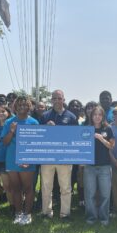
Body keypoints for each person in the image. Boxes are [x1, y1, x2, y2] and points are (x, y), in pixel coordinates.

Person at [40, 89, 78, 220]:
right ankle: (46, 212)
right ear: (51, 100)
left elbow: (76, 138)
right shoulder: (45, 116)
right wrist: (45, 127)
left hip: (64, 157)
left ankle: (65, 213)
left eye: (59, 98)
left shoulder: (72, 117)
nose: (57, 101)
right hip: (47, 157)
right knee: (46, 186)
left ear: (64, 99)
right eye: (54, 98)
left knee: (66, 187)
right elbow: (38, 137)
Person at [1, 96, 39, 225]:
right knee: (15, 188)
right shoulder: (9, 122)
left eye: (25, 104)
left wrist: (29, 159)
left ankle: (27, 214)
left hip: (28, 159)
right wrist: (12, 131)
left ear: (29, 106)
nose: (22, 107)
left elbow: (37, 144)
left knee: (28, 188)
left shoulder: (34, 122)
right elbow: (5, 142)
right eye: (20, 105)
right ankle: (18, 213)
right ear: (15, 106)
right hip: (12, 159)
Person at [84, 106, 114, 225]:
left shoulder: (108, 128)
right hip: (89, 167)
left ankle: (104, 218)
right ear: (91, 116)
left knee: (105, 194)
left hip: (105, 166)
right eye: (95, 114)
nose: (97, 117)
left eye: (99, 114)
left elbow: (111, 146)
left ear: (103, 116)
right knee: (89, 194)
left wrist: (101, 138)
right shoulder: (87, 128)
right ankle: (91, 217)